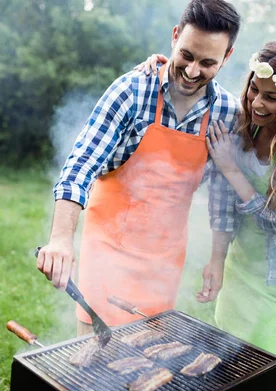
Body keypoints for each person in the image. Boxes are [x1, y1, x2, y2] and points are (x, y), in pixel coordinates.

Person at [36, 0, 242, 335]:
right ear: (175, 37)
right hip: (108, 245)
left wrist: (217, 259)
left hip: (164, 256)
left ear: (227, 57)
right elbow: (81, 164)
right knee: (95, 352)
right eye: (187, 55)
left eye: (207, 63)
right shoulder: (131, 90)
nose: (191, 72)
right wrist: (60, 239)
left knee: (148, 358)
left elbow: (222, 194)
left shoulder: (228, 114)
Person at [139, 41, 276, 357]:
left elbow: (274, 222)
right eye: (253, 90)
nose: (256, 103)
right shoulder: (245, 122)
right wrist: (161, 69)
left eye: (270, 98)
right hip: (243, 260)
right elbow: (221, 195)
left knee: (260, 358)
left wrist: (231, 167)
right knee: (224, 350)